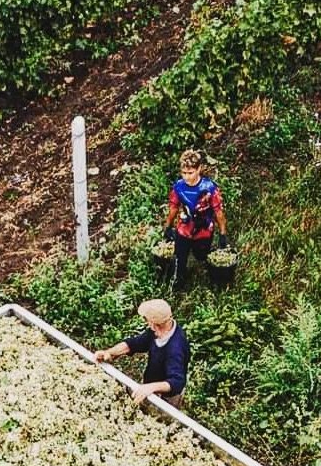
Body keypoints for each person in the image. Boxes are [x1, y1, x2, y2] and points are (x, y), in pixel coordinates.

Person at [94, 298, 189, 407]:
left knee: (159, 419)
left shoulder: (176, 348)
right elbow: (134, 344)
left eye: (147, 320)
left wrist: (151, 387)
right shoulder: (156, 332)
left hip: (167, 397)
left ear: (154, 323)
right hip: (151, 382)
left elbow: (176, 382)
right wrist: (109, 353)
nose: (147, 323)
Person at [163, 149, 227, 289]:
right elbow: (173, 207)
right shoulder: (179, 187)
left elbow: (218, 212)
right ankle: (178, 284)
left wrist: (222, 234)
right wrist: (168, 227)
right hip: (184, 229)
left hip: (203, 231)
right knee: (180, 258)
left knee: (201, 256)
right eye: (184, 173)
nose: (187, 177)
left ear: (199, 169)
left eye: (190, 173)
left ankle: (207, 281)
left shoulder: (209, 188)